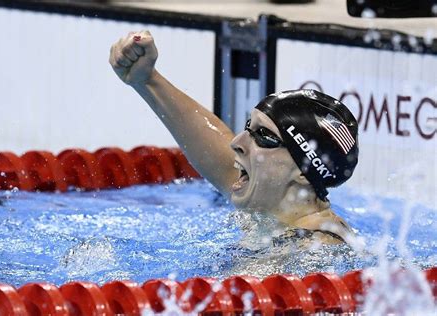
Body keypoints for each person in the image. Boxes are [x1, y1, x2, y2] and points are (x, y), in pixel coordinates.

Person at [109, 31, 359, 245]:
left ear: (304, 171)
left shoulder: (320, 250)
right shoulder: (269, 203)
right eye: (249, 128)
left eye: (263, 136)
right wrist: (147, 80)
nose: (236, 142)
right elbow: (217, 155)